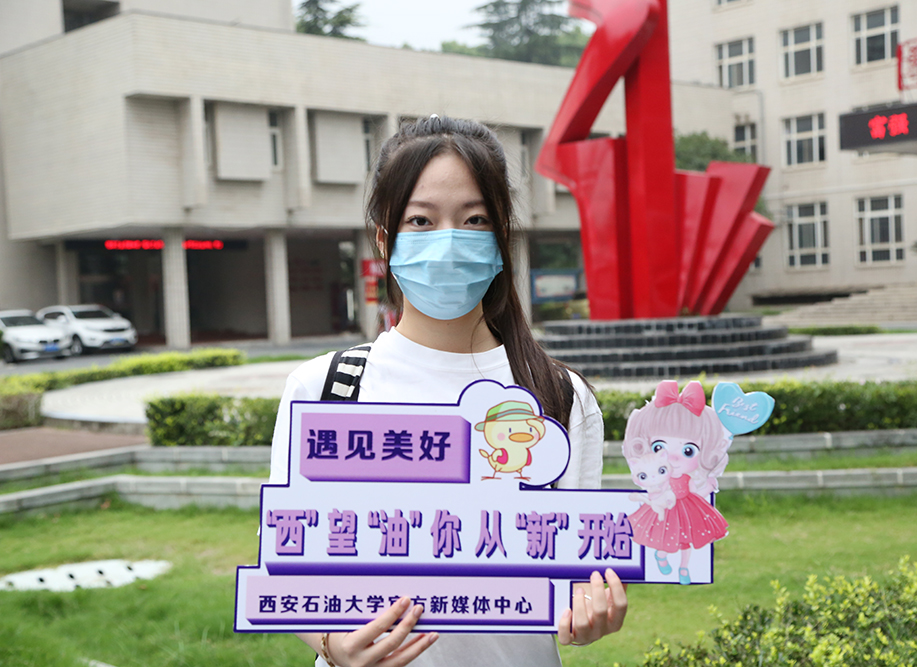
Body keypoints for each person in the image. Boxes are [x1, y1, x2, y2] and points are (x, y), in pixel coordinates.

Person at [267, 115, 627, 667]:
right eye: (421, 220)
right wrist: (332, 644)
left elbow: (574, 573)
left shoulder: (560, 395)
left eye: (474, 220)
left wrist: (589, 607)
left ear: (502, 237)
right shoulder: (325, 388)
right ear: (385, 239)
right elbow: (286, 563)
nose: (449, 241)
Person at [621, 380, 730, 585]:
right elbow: (654, 490)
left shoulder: (688, 478)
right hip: (666, 508)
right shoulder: (661, 479)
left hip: (688, 508)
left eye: (688, 450)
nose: (673, 457)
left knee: (686, 541)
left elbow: (695, 492)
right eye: (659, 447)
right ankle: (661, 556)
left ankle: (684, 568)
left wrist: (708, 486)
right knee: (665, 537)